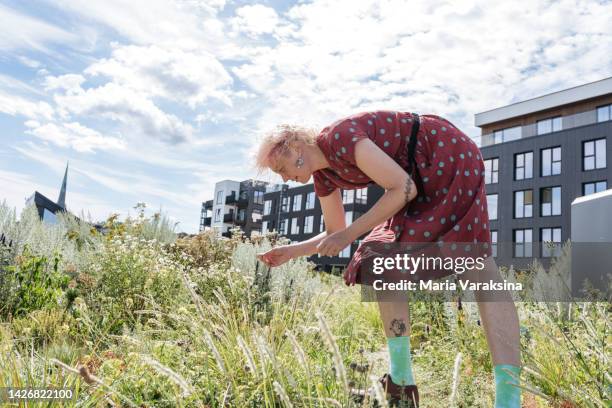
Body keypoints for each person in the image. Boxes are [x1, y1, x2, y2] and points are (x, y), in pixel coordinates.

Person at [255, 111, 521, 407]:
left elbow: (403, 189)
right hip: (414, 177)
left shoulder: (340, 137)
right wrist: (291, 252)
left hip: (444, 154)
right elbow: (335, 232)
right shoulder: (324, 177)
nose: (284, 178)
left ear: (295, 147)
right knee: (379, 262)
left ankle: (509, 398)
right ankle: (402, 384)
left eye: (281, 168)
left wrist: (350, 234)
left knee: (477, 269)